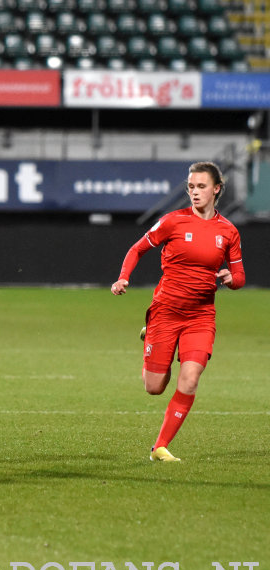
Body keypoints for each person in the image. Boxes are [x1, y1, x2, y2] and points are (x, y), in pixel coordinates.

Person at [111, 161, 245, 462]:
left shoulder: (228, 231)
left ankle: (159, 447)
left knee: (191, 378)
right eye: (191, 187)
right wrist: (123, 277)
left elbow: (239, 277)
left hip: (201, 316)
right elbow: (137, 249)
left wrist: (230, 279)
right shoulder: (173, 221)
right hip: (166, 312)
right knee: (155, 387)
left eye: (200, 187)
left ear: (216, 189)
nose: (194, 192)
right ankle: (152, 338)